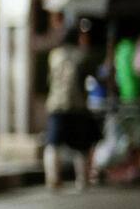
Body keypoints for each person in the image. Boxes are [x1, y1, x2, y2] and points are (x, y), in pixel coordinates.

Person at [43, 20, 102, 190]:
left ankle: (53, 178)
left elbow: (49, 80)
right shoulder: (81, 56)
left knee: (53, 144)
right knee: (81, 145)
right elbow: (93, 76)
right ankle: (83, 179)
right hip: (76, 105)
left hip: (56, 104)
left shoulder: (54, 56)